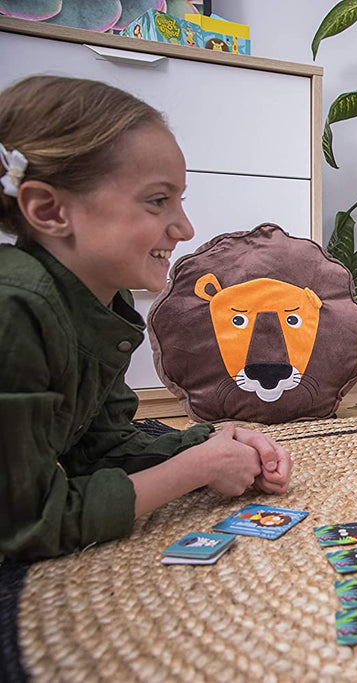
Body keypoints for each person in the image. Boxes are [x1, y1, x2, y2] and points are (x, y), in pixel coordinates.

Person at [0, 76, 293, 561]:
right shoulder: (15, 307)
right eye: (158, 200)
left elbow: (99, 448)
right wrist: (192, 470)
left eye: (181, 199)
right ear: (48, 209)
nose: (185, 227)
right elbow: (26, 523)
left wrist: (213, 444)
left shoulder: (97, 304)